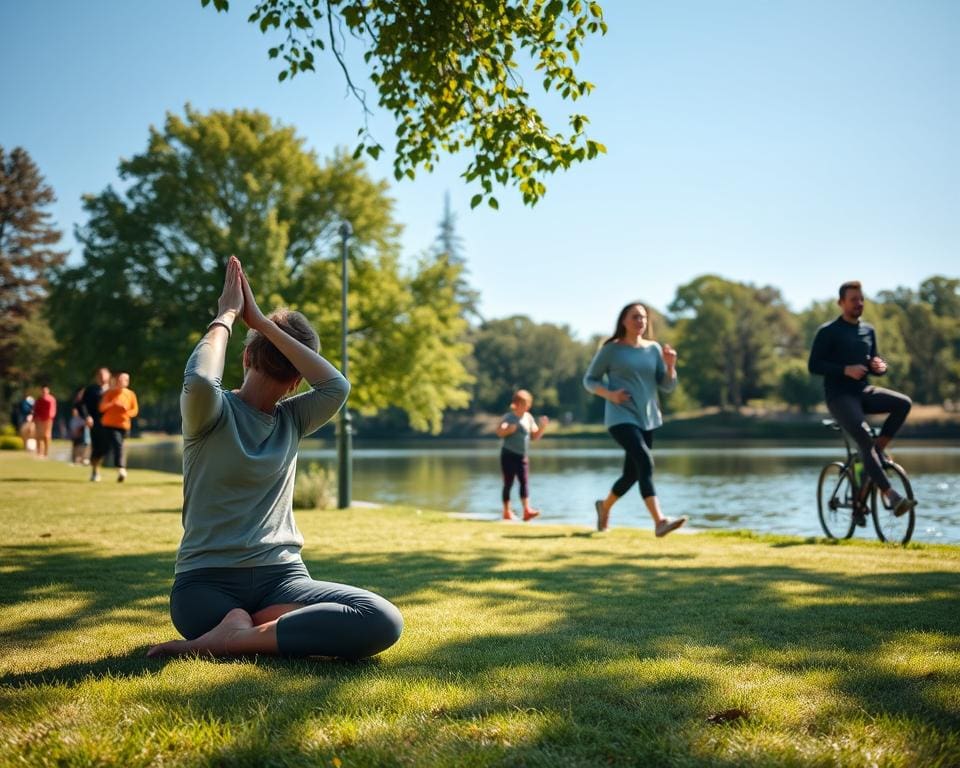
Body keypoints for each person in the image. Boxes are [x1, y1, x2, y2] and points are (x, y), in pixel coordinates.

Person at [148, 256, 402, 659]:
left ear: (246, 358)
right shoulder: (212, 413)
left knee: (377, 617)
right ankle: (247, 630)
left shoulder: (292, 419)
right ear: (298, 378)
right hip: (206, 589)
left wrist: (237, 319)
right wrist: (253, 320)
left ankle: (234, 637)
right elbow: (334, 385)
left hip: (283, 581)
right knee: (382, 622)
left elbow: (337, 387)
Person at [808, 280, 917, 521]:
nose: (859, 303)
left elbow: (874, 362)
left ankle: (877, 451)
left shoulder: (868, 331)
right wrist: (845, 369)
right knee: (864, 438)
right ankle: (891, 495)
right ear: (841, 303)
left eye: (861, 299)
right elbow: (813, 365)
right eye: (853, 299)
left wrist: (880, 367)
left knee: (903, 403)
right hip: (839, 397)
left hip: (863, 392)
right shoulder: (828, 332)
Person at [583, 302, 687, 536]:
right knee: (644, 460)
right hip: (620, 417)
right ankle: (660, 522)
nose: (640, 321)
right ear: (624, 321)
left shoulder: (653, 349)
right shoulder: (611, 350)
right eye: (635, 317)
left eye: (643, 318)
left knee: (632, 473)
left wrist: (670, 367)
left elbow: (667, 386)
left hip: (647, 418)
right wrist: (609, 394)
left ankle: (604, 506)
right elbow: (589, 380)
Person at [495, 389, 549, 521]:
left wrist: (542, 427)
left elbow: (534, 436)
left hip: (522, 456)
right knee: (508, 483)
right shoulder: (509, 417)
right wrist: (508, 430)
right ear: (516, 404)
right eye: (523, 403)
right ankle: (506, 512)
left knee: (524, 482)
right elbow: (499, 432)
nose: (526, 406)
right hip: (508, 455)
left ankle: (527, 511)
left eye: (527, 403)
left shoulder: (529, 418)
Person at [99, 372, 140, 482]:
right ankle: (116, 469)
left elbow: (135, 410)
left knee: (120, 447)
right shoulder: (110, 393)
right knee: (112, 446)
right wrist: (113, 404)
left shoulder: (131, 394)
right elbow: (102, 408)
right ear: (116, 380)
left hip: (123, 425)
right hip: (109, 424)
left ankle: (121, 469)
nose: (122, 382)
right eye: (120, 379)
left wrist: (126, 410)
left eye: (125, 380)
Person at [78, 367, 111, 481]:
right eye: (100, 375)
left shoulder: (112, 390)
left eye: (104, 375)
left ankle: (98, 465)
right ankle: (95, 471)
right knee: (96, 446)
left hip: (110, 423)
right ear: (97, 377)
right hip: (95, 422)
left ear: (109, 376)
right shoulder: (90, 390)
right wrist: (87, 416)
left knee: (106, 447)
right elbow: (81, 405)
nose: (102, 377)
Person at [32, 386, 57, 458]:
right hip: (39, 420)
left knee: (46, 436)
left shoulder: (51, 399)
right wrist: (35, 418)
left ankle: (46, 452)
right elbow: (36, 409)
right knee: (39, 436)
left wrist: (50, 417)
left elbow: (52, 410)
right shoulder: (39, 399)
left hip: (47, 420)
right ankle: (39, 452)